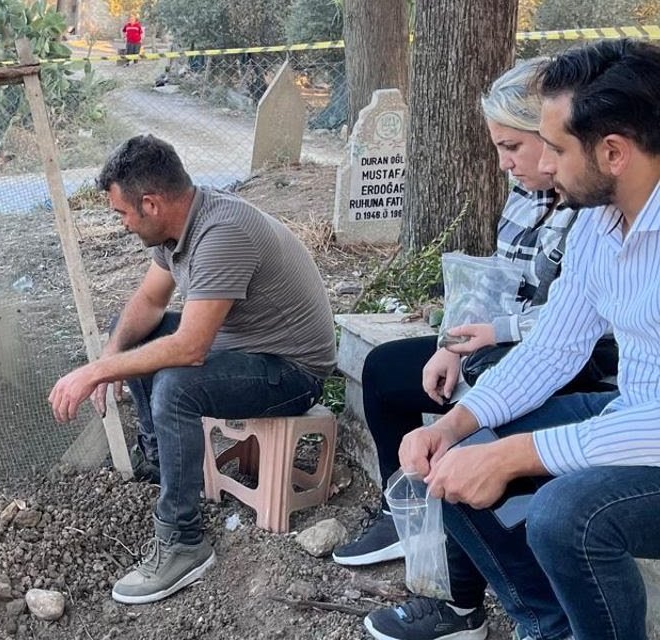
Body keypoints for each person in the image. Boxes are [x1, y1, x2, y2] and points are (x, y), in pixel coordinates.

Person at [330, 58, 614, 640]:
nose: (508, 165)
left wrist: (505, 448)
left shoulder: (598, 212)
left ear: (601, 146)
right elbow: (533, 313)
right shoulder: (577, 214)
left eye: (527, 147)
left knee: (530, 491)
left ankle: (481, 605)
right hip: (546, 358)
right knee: (424, 413)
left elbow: (589, 343)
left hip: (597, 376)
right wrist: (455, 369)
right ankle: (411, 516)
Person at [400, 39, 660, 640]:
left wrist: (513, 456)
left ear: (614, 152)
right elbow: (556, 346)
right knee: (456, 454)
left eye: (559, 150)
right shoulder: (602, 218)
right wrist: (456, 426)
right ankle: (547, 626)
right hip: (634, 409)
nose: (545, 168)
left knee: (566, 516)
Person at [48, 135, 336, 605]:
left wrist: (95, 374)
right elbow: (147, 302)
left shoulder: (222, 234)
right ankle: (165, 466)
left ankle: (183, 540)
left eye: (122, 213)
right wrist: (108, 358)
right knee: (134, 332)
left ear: (151, 204)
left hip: (292, 370)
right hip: (244, 346)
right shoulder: (177, 228)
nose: (120, 224)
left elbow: (189, 349)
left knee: (176, 384)